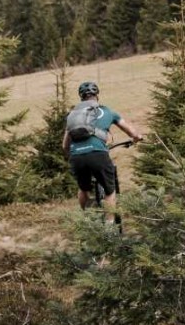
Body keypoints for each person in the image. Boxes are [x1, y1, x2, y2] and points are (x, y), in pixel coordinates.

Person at [62, 78, 145, 229]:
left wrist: (75, 155)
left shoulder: (72, 115)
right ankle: (109, 227)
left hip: (77, 157)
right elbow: (131, 131)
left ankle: (88, 219)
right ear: (97, 95)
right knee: (110, 190)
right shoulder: (108, 111)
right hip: (98, 154)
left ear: (81, 97)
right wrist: (137, 138)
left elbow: (65, 145)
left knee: (83, 188)